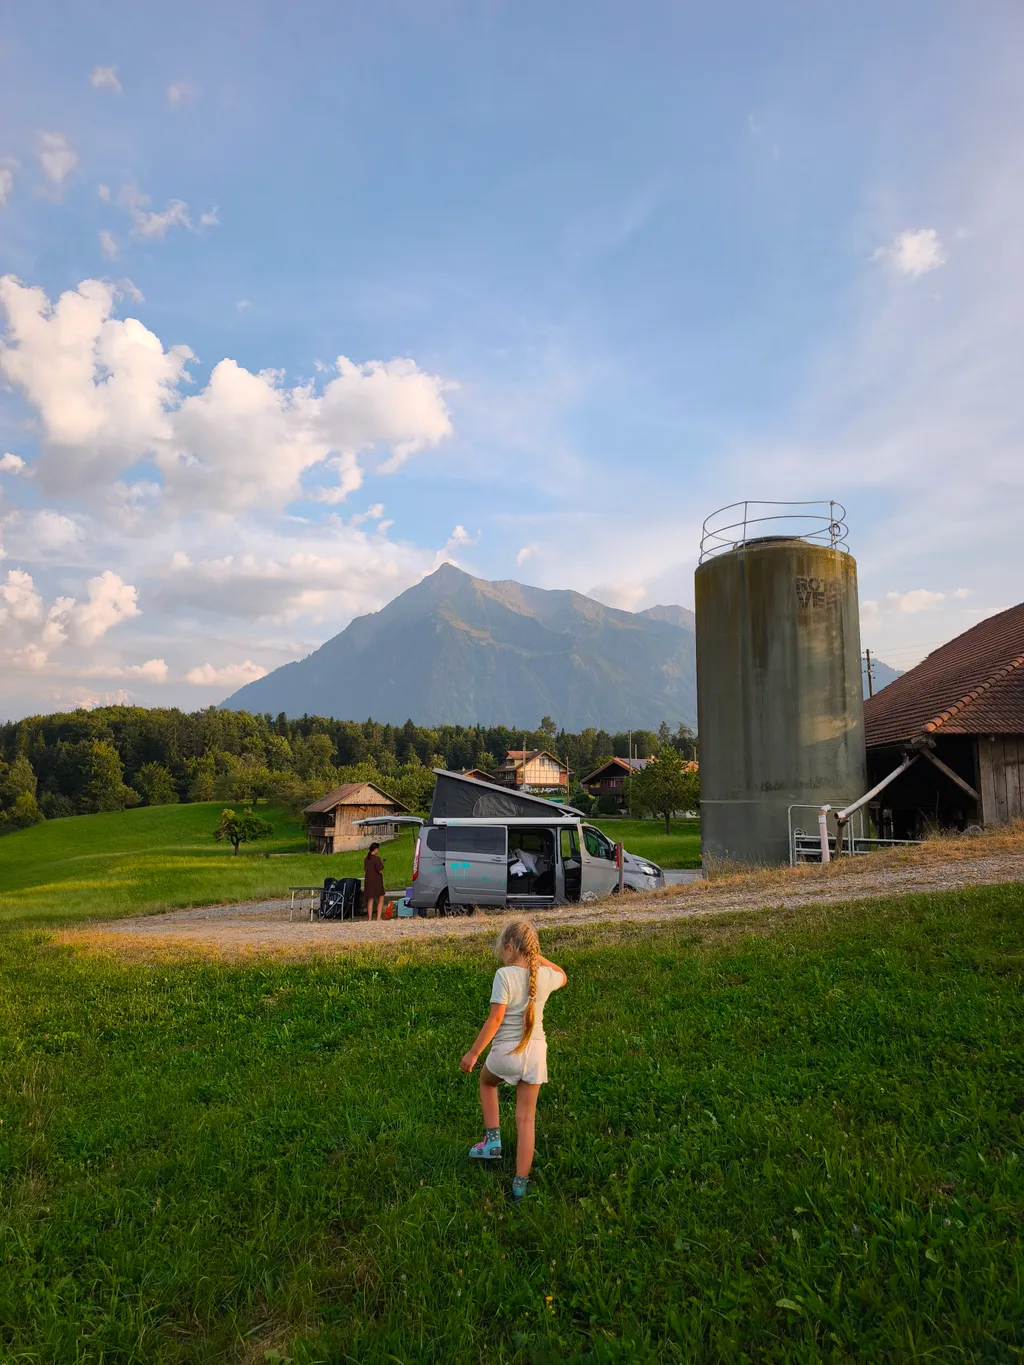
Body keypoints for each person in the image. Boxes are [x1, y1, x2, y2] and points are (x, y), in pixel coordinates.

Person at [459, 919, 567, 1201]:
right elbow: (562, 975)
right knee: (526, 1119)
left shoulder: (504, 975)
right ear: (531, 950)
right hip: (535, 1057)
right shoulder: (543, 976)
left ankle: (492, 1141)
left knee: (487, 1083)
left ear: (509, 948)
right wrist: (537, 957)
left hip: (505, 1054)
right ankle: (520, 1183)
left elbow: (495, 1019)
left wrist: (473, 1053)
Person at [363, 842, 386, 921]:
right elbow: (379, 870)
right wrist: (382, 864)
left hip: (368, 881)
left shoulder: (366, 858)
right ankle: (378, 917)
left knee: (370, 899)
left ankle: (369, 918)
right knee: (381, 897)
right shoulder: (377, 859)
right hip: (376, 881)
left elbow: (365, 870)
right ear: (375, 849)